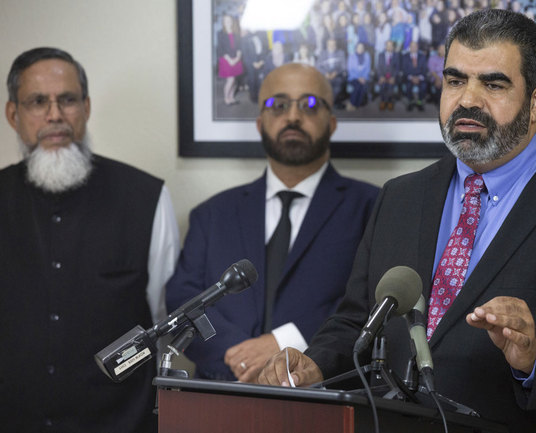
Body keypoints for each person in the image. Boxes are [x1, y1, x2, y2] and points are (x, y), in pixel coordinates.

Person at [258, 10, 536, 433]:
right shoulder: (401, 197)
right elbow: (359, 320)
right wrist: (314, 363)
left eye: (493, 84)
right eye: (455, 80)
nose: (467, 100)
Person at [0, 47, 180, 432]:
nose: (54, 115)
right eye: (37, 102)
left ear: (86, 107)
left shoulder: (146, 198)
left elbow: (165, 326)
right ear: (13, 114)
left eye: (67, 100)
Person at [166, 63, 379, 383]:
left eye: (309, 104)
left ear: (332, 123)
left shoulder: (373, 207)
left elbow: (373, 303)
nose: (293, 117)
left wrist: (284, 344)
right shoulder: (212, 215)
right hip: (220, 400)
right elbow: (184, 302)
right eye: (278, 105)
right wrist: (235, 353)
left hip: (327, 402)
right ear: (259, 122)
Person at [217, 14, 244, 106]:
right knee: (230, 80)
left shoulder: (236, 33)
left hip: (236, 58)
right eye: (226, 20)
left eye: (229, 20)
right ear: (223, 22)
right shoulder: (220, 33)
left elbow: (240, 47)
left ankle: (231, 97)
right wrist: (230, 60)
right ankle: (226, 98)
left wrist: (237, 58)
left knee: (234, 79)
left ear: (232, 21)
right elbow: (220, 49)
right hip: (226, 59)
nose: (228, 22)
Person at [401, 40, 428, 111]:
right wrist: (411, 77)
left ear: (417, 47)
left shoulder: (422, 56)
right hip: (409, 77)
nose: (413, 48)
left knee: (423, 86)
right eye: (411, 46)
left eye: (415, 46)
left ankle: (419, 102)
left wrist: (419, 77)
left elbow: (424, 69)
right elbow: (404, 69)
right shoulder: (405, 56)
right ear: (409, 47)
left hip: (420, 77)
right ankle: (411, 102)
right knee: (408, 86)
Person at [376, 39, 401, 111]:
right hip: (383, 76)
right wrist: (381, 76)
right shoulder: (381, 55)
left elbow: (397, 68)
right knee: (383, 85)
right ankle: (383, 101)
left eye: (391, 46)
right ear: (385, 47)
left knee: (390, 86)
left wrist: (393, 77)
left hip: (392, 76)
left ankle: (390, 101)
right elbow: (379, 67)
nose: (389, 47)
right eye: (388, 46)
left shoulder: (396, 55)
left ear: (393, 47)